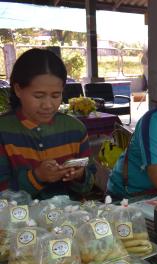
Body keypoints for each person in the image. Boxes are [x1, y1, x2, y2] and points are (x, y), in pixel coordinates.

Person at [0, 48, 95, 200]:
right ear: (18, 90)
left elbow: (89, 184)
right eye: (39, 96)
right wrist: (37, 176)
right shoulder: (4, 130)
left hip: (71, 220)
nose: (48, 105)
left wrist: (80, 175)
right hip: (16, 221)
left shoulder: (75, 130)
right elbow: (2, 193)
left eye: (56, 95)